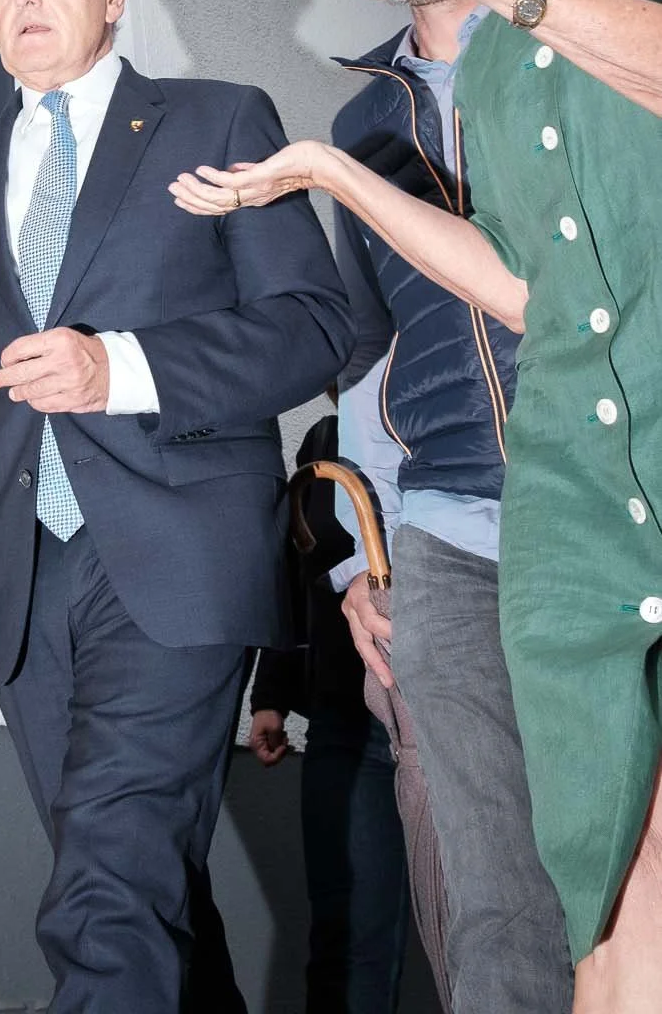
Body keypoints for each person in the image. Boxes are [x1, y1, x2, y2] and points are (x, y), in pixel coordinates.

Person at [170, 0, 662, 1014]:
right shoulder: (437, 89)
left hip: (614, 471)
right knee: (550, 906)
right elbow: (464, 317)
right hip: (517, 515)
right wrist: (330, 169)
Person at [0, 0, 352, 1014]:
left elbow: (312, 325)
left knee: (109, 872)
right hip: (20, 574)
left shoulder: (217, 119)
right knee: (138, 883)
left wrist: (121, 367)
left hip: (179, 551)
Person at [326, 0, 572, 1013]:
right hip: (443, 527)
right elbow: (364, 356)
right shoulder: (359, 125)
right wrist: (355, 561)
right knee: (489, 894)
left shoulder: (560, 41)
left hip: (598, 498)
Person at [248, 396, 413, 1014]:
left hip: (445, 721)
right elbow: (299, 575)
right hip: (345, 724)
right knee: (344, 936)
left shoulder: (455, 421)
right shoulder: (325, 441)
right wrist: (270, 697)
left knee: (484, 931)